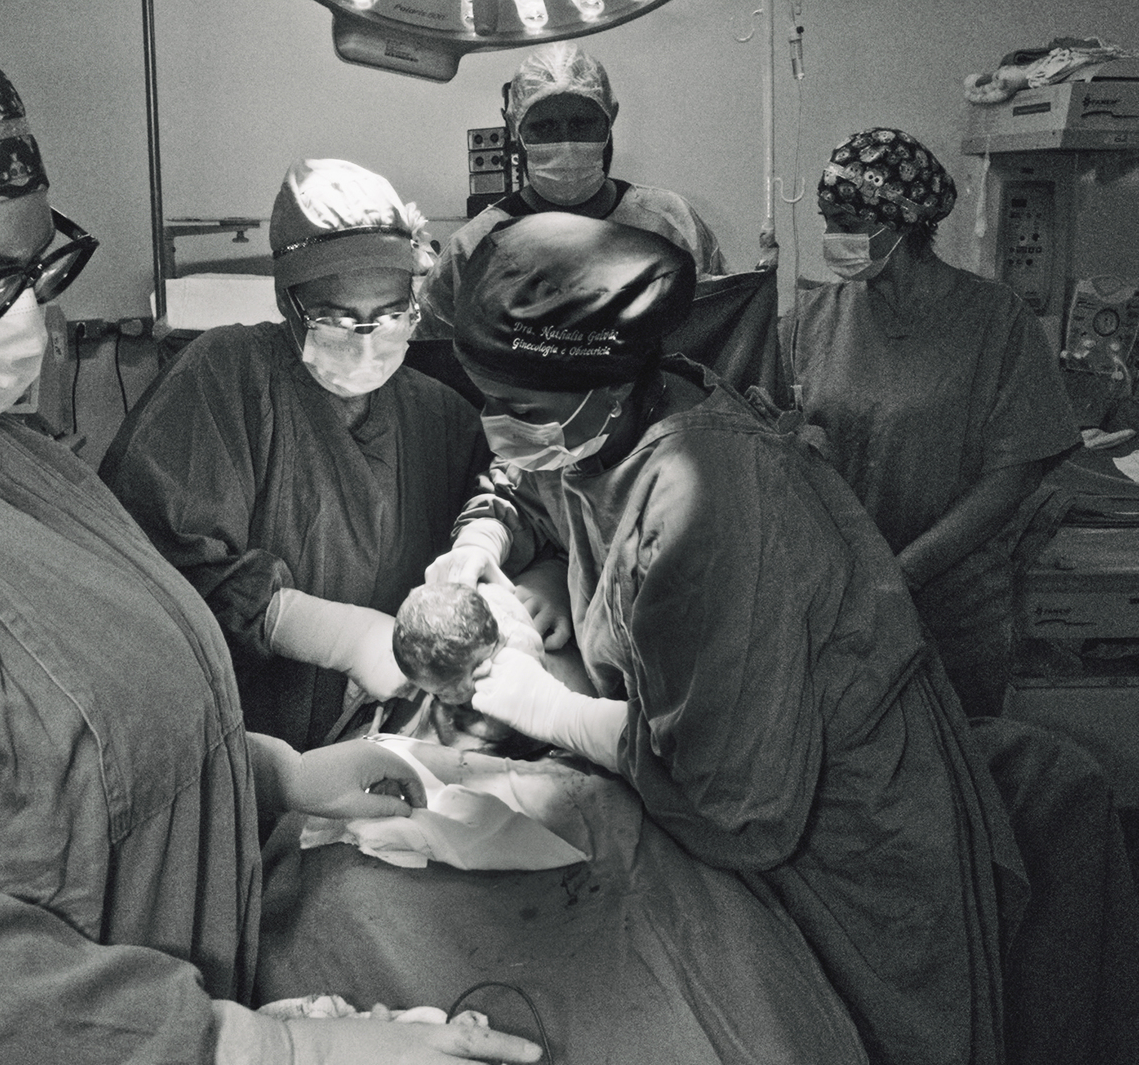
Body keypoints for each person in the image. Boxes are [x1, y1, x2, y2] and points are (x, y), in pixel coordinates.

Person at [0, 21, 555, 1065]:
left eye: (40, 267)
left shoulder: (6, 458)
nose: (27, 320)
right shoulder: (199, 398)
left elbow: (73, 733)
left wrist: (270, 773)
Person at [430, 209, 1028, 1065]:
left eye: (519, 406)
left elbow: (729, 799)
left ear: (605, 386)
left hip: (848, 836)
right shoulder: (603, 418)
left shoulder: (713, 491)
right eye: (486, 400)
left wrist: (540, 705)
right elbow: (525, 471)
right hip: (769, 776)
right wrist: (482, 544)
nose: (500, 424)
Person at [100, 161, 490, 750]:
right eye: (336, 319)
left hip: (390, 732)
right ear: (287, 301)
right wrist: (337, 636)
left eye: (389, 316)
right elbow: (151, 568)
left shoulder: (442, 417)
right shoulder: (225, 378)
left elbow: (504, 521)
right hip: (241, 743)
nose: (366, 340)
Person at [782, 129, 1078, 717]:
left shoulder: (995, 322)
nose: (832, 239)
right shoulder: (810, 321)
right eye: (826, 221)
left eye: (846, 222)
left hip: (952, 607)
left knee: (955, 757)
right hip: (836, 604)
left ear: (901, 222)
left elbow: (1014, 475)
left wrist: (904, 574)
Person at [413, 39, 728, 347]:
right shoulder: (473, 249)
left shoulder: (671, 223)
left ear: (610, 119)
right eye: (544, 127)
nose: (565, 143)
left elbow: (718, 331)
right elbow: (434, 359)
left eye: (581, 124)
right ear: (514, 129)